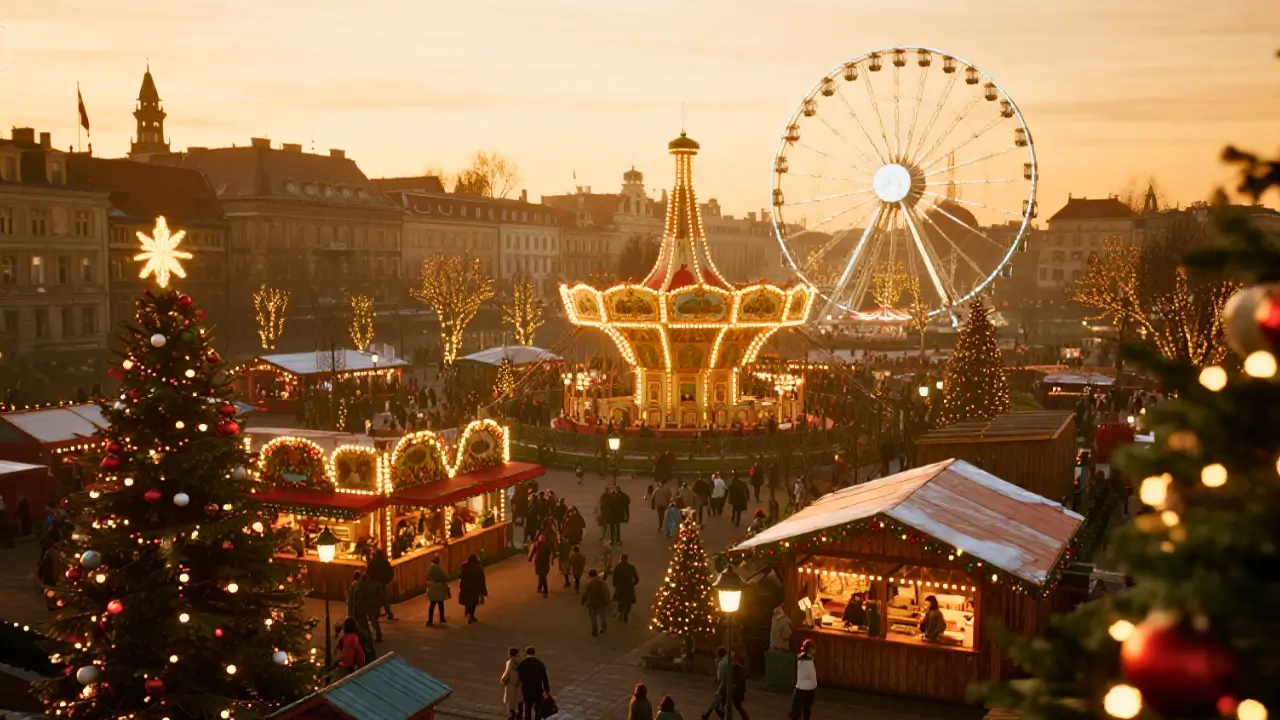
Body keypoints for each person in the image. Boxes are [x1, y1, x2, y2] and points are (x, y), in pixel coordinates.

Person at [516, 646, 551, 720]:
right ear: (534, 653)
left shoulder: (523, 664)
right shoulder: (539, 664)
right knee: (538, 709)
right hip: (537, 690)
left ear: (526, 653)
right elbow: (544, 678)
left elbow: (519, 677)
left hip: (526, 690)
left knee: (527, 708)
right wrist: (547, 690)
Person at [366, 547, 396, 620]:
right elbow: (390, 571)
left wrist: (371, 581)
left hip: (374, 583)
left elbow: (368, 572)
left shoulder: (372, 563)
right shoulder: (385, 562)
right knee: (384, 599)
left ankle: (376, 613)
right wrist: (387, 581)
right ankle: (388, 613)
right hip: (383, 583)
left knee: (376, 599)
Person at [790, 639, 817, 720]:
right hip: (809, 690)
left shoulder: (799, 660)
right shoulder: (810, 663)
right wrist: (814, 685)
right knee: (807, 711)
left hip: (799, 688)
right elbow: (812, 677)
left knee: (796, 712)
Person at [581, 568, 611, 637]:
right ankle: (603, 627)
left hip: (592, 603)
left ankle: (595, 630)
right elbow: (606, 593)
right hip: (601, 603)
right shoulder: (601, 583)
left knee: (593, 618)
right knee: (602, 616)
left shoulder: (589, 583)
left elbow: (586, 593)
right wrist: (607, 601)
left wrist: (583, 600)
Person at [459, 553, 488, 623]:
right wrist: (483, 591)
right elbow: (481, 580)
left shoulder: (465, 567)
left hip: (465, 588)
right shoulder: (478, 568)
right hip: (474, 588)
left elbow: (462, 577)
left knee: (467, 601)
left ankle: (468, 613)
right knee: (473, 602)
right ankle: (471, 615)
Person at [611, 553, 639, 622]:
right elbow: (636, 578)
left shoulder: (618, 567)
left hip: (620, 587)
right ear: (627, 559)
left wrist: (615, 584)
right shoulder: (631, 567)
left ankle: (620, 612)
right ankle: (626, 614)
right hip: (629, 587)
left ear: (621, 559)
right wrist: (633, 584)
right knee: (628, 601)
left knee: (620, 601)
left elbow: (614, 577)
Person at [500, 647, 523, 720]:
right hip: (520, 685)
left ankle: (512, 715)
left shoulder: (509, 663)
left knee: (511, 701)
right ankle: (519, 715)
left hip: (511, 685)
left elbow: (506, 674)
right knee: (520, 700)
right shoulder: (522, 663)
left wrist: (503, 681)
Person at [426, 556, 449, 625]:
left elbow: (427, 577)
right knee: (441, 604)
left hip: (432, 588)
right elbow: (444, 578)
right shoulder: (440, 569)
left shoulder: (430, 569)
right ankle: (442, 618)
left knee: (432, 605)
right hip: (439, 588)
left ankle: (430, 620)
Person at [529, 533, 554, 598]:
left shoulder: (536, 544)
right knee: (542, 575)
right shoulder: (547, 544)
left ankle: (545, 590)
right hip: (545, 561)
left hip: (538, 562)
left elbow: (533, 552)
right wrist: (551, 560)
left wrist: (530, 558)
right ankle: (539, 588)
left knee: (541, 575)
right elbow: (551, 552)